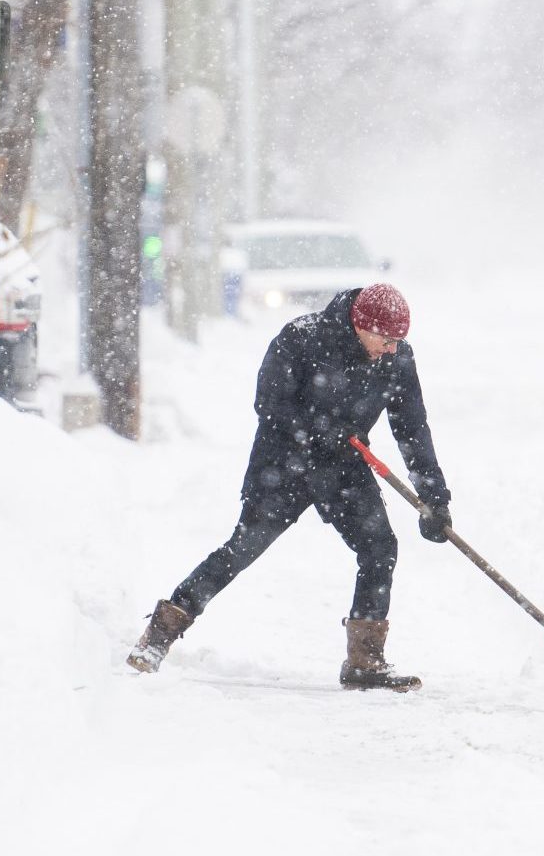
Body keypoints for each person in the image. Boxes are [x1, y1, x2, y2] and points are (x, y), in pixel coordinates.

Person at [126, 283, 453, 691]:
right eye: (384, 339)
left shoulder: (396, 359)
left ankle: (364, 662)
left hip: (343, 469)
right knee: (242, 549)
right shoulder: (301, 336)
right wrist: (319, 430)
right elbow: (269, 402)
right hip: (284, 463)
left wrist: (434, 498)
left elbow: (412, 429)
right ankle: (159, 635)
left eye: (397, 341)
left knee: (380, 548)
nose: (390, 349)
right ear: (360, 325)